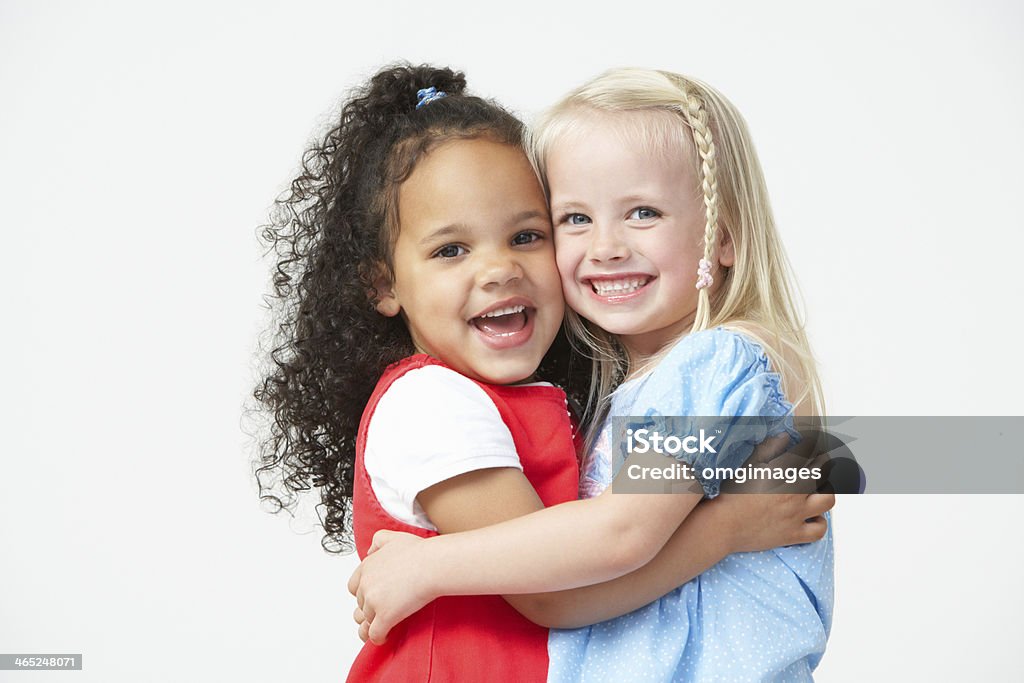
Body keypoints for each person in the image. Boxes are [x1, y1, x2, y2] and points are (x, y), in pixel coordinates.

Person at [349, 68, 835, 682]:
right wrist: (729, 527)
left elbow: (620, 533)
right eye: (575, 219)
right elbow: (580, 574)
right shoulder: (632, 388)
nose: (604, 246)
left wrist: (428, 566)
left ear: (724, 235)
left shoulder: (714, 367)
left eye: (642, 212)